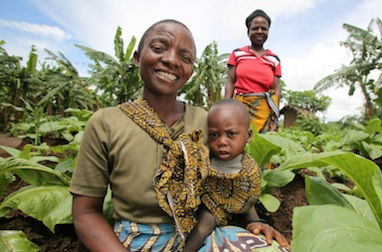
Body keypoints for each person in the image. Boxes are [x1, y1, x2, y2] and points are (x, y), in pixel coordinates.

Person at [69, 19, 289, 251]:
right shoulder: (106, 123)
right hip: (136, 241)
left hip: (198, 236)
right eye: (158, 48)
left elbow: (234, 173)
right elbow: (85, 213)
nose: (172, 60)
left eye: (185, 58)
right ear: (137, 57)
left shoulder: (207, 123)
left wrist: (254, 220)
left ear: (190, 72)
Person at [181, 99, 283, 251]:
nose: (222, 141)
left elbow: (247, 197)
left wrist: (254, 220)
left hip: (228, 208)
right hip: (210, 204)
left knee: (203, 227)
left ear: (248, 136)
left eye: (231, 134)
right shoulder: (205, 159)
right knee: (201, 228)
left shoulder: (249, 169)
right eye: (214, 135)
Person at [224, 9, 282, 133]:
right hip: (240, 108)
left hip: (265, 111)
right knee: (238, 143)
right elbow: (230, 81)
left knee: (262, 146)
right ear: (248, 31)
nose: (259, 31)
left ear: (268, 31)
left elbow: (276, 89)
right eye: (255, 28)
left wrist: (275, 117)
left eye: (264, 28)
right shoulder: (237, 54)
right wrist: (226, 108)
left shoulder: (274, 59)